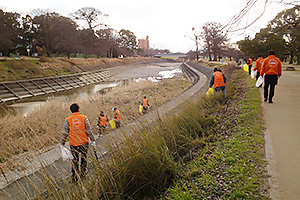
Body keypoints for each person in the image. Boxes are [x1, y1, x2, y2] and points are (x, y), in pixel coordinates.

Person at [61, 103, 95, 182]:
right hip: (84, 142)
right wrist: (92, 139)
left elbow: (65, 132)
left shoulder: (68, 119)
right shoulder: (84, 118)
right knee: (84, 159)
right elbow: (88, 130)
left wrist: (62, 143)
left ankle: (74, 177)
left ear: (71, 111)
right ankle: (82, 175)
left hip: (73, 144)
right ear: (78, 109)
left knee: (75, 161)